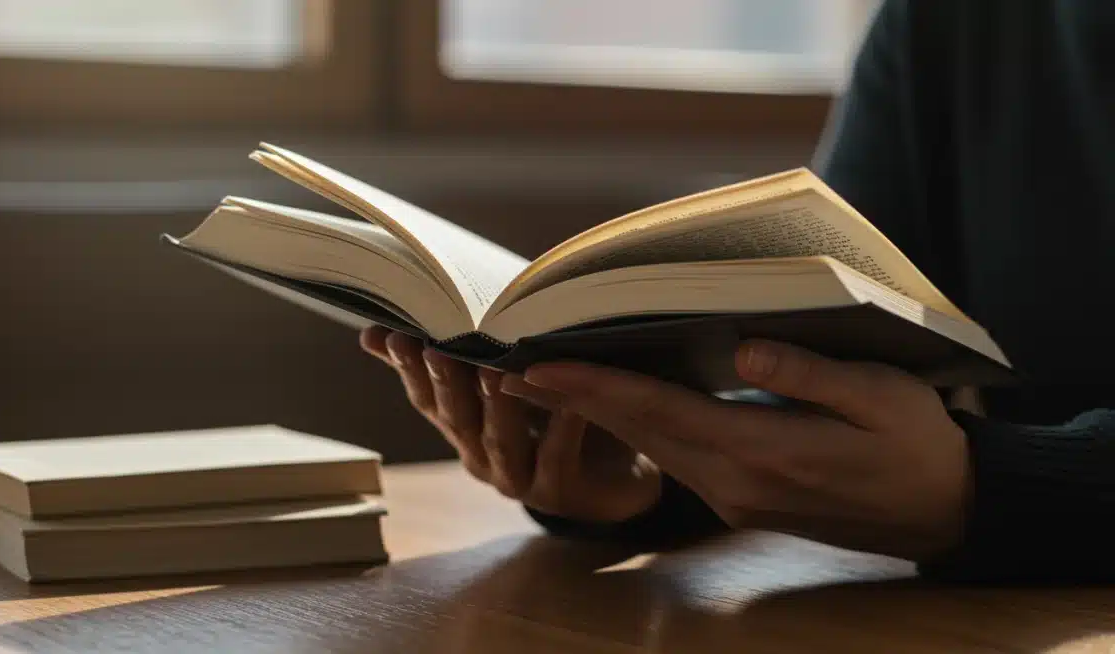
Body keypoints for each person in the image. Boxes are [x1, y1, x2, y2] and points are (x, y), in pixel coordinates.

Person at [361, 0, 1115, 583]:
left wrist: (987, 490)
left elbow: (961, 473)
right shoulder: (948, 23)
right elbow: (831, 367)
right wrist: (651, 468)